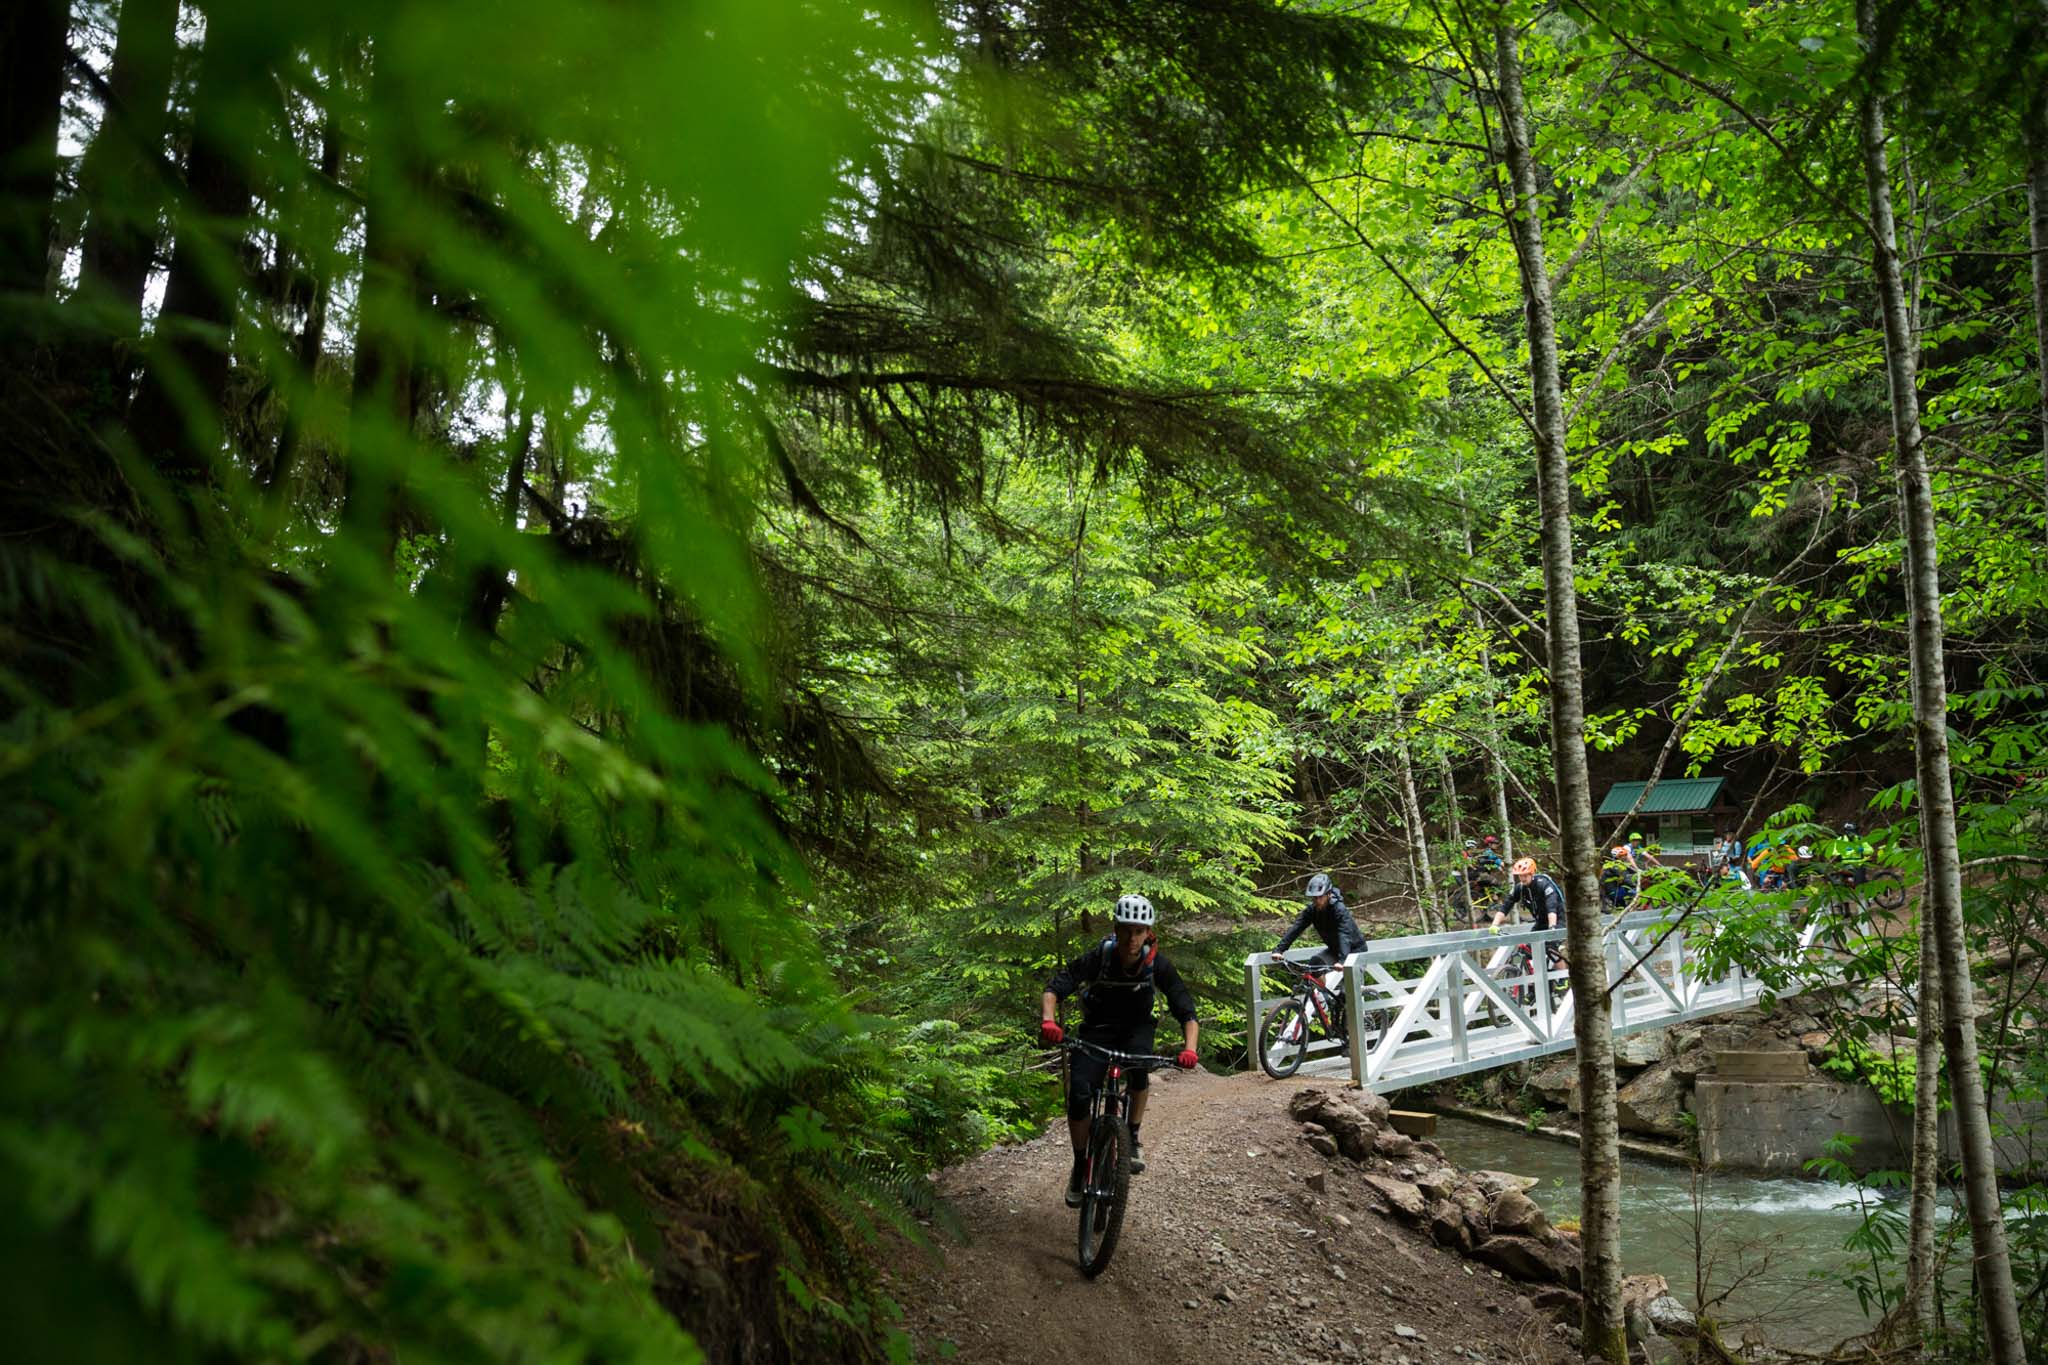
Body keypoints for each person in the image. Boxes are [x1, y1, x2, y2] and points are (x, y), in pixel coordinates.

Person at [1038, 894, 1199, 1206]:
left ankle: (1133, 1136)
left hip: (1136, 1030)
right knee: (1081, 1092)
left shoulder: (1158, 966)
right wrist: (1049, 1021)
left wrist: (1190, 1049)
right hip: (1097, 1030)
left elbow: (1186, 1011)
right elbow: (1055, 987)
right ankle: (1080, 1162)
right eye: (1126, 930)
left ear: (1148, 933)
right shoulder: (1100, 957)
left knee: (1139, 1071)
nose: (1132, 938)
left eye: (1138, 931)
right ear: (1116, 929)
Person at [1490, 856, 1567, 932]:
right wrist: (1494, 925)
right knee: (1527, 944)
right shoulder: (1520, 888)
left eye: (1525, 875)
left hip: (1557, 920)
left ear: (1532, 874)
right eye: (1520, 875)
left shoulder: (1544, 885)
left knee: (1549, 943)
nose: (1522, 879)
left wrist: (1552, 927)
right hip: (1541, 921)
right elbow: (1505, 906)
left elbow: (1551, 908)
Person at [1837, 822, 1875, 886]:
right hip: (1845, 865)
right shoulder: (1840, 840)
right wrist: (1846, 850)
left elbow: (1871, 850)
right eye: (1850, 832)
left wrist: (1862, 850)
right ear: (1846, 832)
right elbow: (1834, 851)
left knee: (1859, 883)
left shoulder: (1860, 839)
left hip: (1858, 864)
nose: (1852, 834)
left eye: (1853, 832)